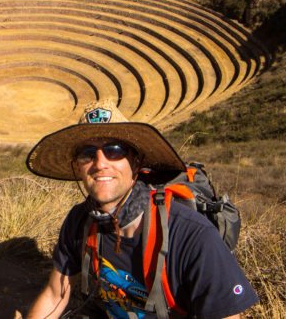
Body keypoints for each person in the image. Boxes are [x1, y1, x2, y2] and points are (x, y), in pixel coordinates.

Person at [26, 100, 258, 319]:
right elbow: (55, 295)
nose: (100, 163)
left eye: (114, 150)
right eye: (87, 153)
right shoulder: (80, 221)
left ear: (136, 162)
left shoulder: (192, 234)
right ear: (78, 167)